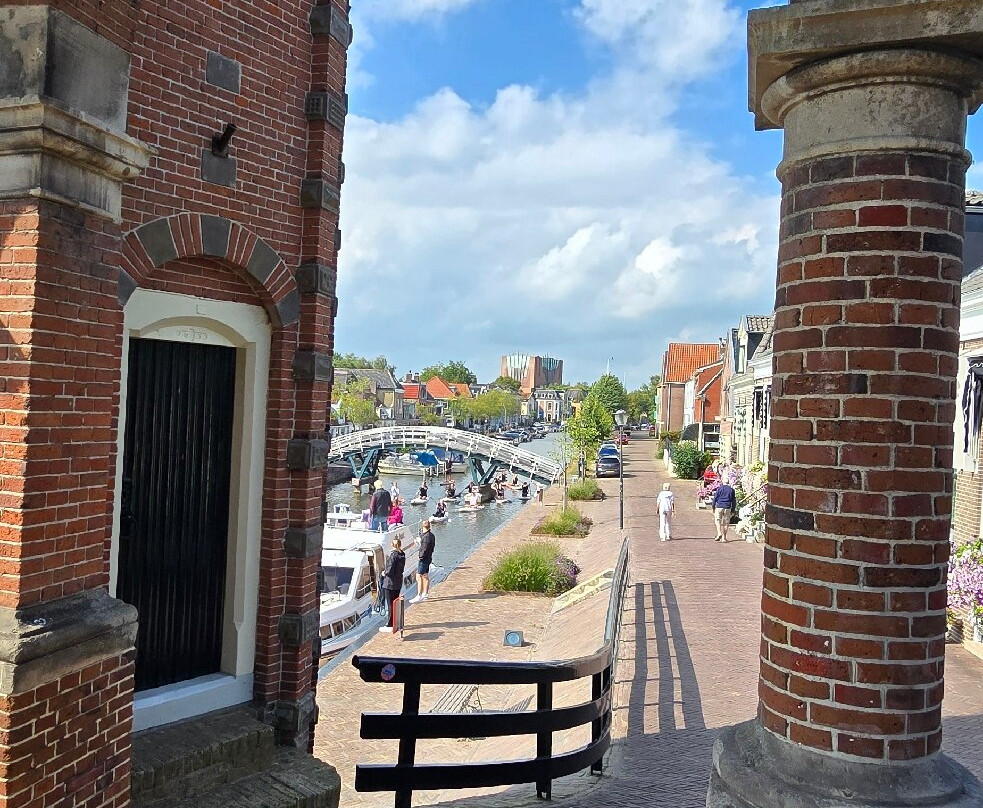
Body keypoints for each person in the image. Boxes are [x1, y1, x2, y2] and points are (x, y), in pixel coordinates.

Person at [378, 537, 406, 632]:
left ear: (392, 545)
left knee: (390, 604)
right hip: (398, 582)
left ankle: (390, 623)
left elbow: (389, 570)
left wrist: (383, 573)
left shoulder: (393, 556)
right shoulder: (402, 555)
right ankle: (395, 621)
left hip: (390, 583)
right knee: (395, 602)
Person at [410, 520, 436, 603]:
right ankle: (425, 594)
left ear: (423, 526)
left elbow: (424, 548)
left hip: (424, 559)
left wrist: (420, 557)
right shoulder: (431, 535)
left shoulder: (426, 537)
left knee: (419, 576)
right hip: (429, 557)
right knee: (425, 575)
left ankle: (419, 595)